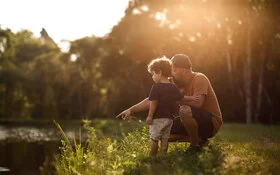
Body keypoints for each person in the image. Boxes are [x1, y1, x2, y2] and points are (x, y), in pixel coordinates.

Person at [118, 54, 223, 152]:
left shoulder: (199, 78)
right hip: (192, 120)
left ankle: (195, 146)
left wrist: (175, 97)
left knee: (184, 110)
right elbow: (153, 100)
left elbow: (198, 103)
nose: (171, 74)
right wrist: (131, 110)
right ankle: (201, 140)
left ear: (183, 70)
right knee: (161, 132)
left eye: (173, 70)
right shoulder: (176, 84)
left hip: (211, 122)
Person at [145, 56, 183, 158]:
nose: (152, 77)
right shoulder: (173, 86)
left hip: (158, 118)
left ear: (159, 72)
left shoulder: (156, 87)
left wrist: (150, 116)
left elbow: (153, 102)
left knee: (154, 139)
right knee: (165, 139)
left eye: (153, 74)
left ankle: (152, 158)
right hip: (169, 119)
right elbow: (180, 98)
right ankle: (162, 157)